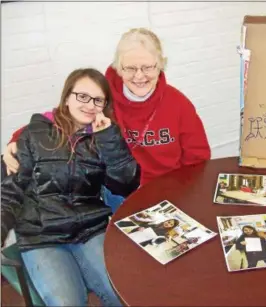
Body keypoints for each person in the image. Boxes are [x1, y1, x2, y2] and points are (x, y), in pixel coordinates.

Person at [2, 27, 211, 211]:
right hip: (122, 191)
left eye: (148, 67)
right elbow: (63, 118)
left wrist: (182, 193)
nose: (140, 76)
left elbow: (197, 158)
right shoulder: (103, 97)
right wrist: (17, 139)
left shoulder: (178, 103)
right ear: (119, 68)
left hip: (168, 190)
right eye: (130, 68)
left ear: (160, 65)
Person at [1, 68, 139, 306]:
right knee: (67, 302)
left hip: (90, 230)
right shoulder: (34, 134)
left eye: (98, 100)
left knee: (122, 292)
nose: (89, 105)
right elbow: (10, 191)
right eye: (82, 96)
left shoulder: (104, 135)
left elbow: (126, 184)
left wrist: (109, 139)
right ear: (67, 97)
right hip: (42, 236)